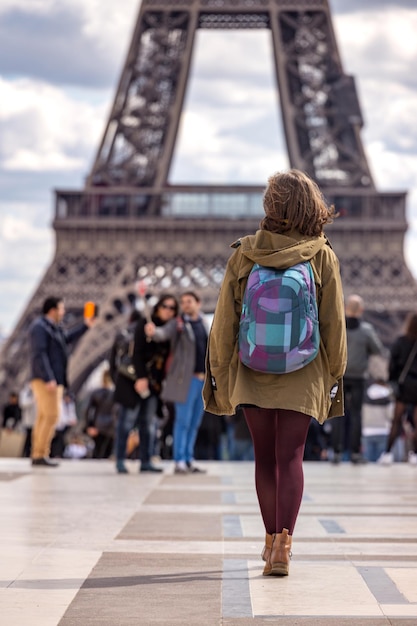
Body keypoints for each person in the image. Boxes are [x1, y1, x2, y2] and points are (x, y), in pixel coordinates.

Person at [203, 169, 347, 576]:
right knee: (292, 456)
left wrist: (219, 371)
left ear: (270, 207)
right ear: (310, 207)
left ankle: (269, 542)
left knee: (264, 458)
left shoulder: (244, 253)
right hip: (306, 368)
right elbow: (334, 322)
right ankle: (285, 543)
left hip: (252, 367)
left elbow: (224, 322)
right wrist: (335, 373)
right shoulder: (321, 254)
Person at [109, 294, 179, 474]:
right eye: (165, 306)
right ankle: (121, 460)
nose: (168, 310)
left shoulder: (171, 330)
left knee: (148, 424)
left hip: (154, 385)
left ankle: (146, 461)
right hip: (134, 381)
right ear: (157, 307)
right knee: (126, 422)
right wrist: (141, 378)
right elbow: (137, 353)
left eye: (172, 308)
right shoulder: (144, 324)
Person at [145, 291, 210, 474]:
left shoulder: (205, 324)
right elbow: (163, 333)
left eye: (189, 301)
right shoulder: (179, 323)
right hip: (185, 380)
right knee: (183, 421)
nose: (185, 305)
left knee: (195, 422)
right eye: (183, 302)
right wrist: (153, 331)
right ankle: (179, 460)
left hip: (202, 380)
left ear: (198, 302)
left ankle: (188, 458)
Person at [29, 296, 93, 467]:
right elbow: (39, 354)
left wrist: (86, 326)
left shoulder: (52, 328)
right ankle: (40, 454)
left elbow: (66, 339)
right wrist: (49, 377)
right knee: (51, 416)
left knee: (45, 416)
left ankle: (39, 453)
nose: (64, 312)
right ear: (52, 310)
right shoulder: (40, 328)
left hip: (51, 379)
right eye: (61, 309)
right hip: (46, 380)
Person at [330, 294, 383, 464]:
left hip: (340, 375)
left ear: (345, 308)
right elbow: (377, 350)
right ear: (361, 310)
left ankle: (336, 452)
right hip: (359, 377)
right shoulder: (366, 330)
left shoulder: (338, 327)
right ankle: (355, 453)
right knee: (356, 415)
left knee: (337, 414)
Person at [378, 312, 417, 465]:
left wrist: (392, 380)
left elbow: (392, 364)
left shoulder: (401, 342)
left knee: (396, 420)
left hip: (404, 385)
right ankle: (415, 455)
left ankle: (387, 454)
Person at [84, 369, 117, 459]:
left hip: (98, 424)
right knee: (108, 452)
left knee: (97, 453)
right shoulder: (115, 394)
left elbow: (88, 410)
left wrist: (89, 425)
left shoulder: (96, 393)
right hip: (112, 425)